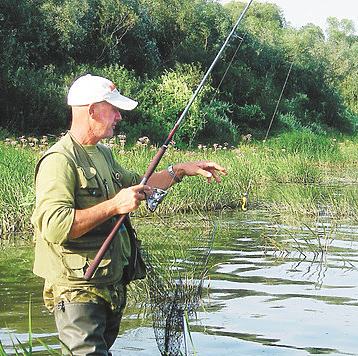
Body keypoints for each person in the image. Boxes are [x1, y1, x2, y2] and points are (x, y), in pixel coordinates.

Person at [31, 74, 227, 355]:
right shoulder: (59, 161)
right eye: (113, 109)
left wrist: (180, 169)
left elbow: (142, 185)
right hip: (77, 290)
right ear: (91, 110)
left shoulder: (102, 154)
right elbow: (55, 226)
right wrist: (114, 205)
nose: (119, 117)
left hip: (109, 283)